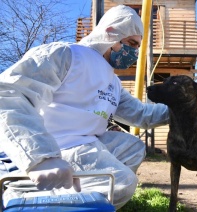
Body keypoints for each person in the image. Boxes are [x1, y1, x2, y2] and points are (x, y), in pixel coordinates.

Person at [0, 5, 169, 209]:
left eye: (136, 48)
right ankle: (25, 194)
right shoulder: (67, 55)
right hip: (53, 144)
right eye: (131, 44)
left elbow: (142, 115)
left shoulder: (112, 82)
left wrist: (184, 110)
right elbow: (10, 93)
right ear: (110, 33)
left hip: (82, 145)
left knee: (132, 148)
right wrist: (40, 158)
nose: (133, 53)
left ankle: (68, 195)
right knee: (122, 182)